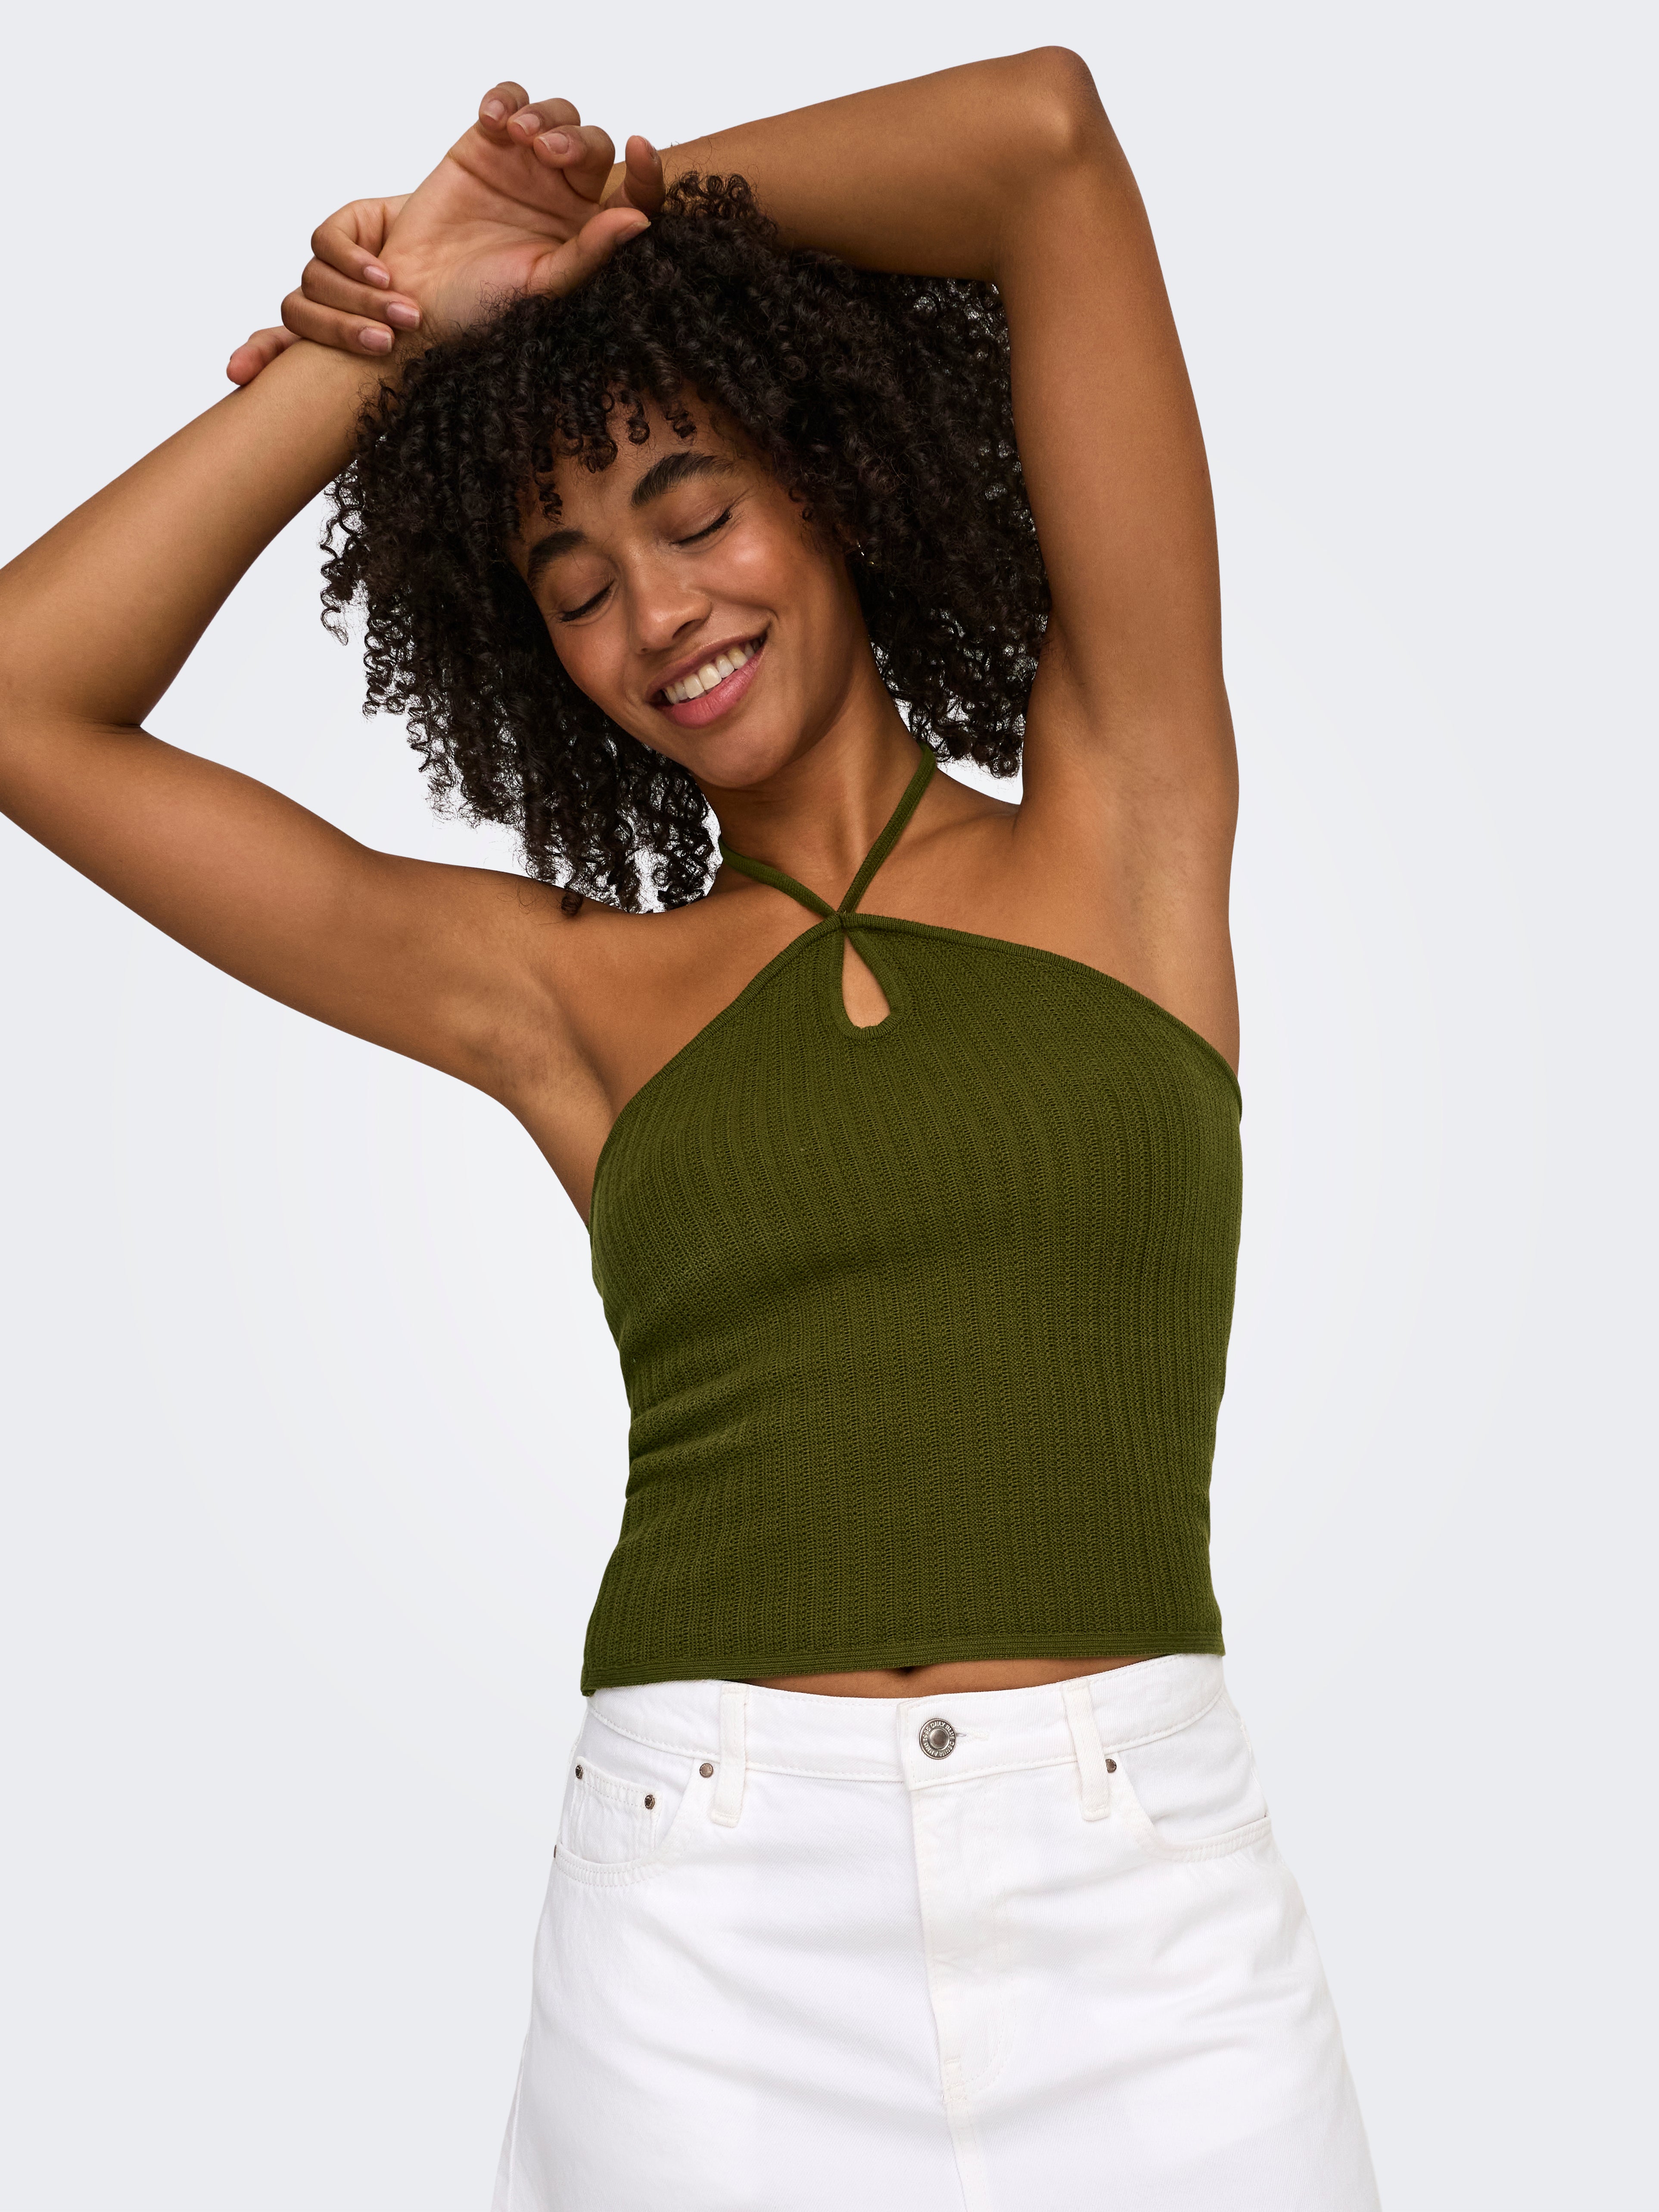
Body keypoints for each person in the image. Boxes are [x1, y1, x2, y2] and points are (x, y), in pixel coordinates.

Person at [0, 52, 1379, 2210]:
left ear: (825, 476)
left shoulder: (1127, 821)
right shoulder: (568, 999)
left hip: (1154, 1908)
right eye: (571, 584)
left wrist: (605, 234)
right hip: (711, 1921)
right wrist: (400, 333)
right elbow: (23, 701)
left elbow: (1043, 144)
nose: (657, 616)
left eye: (693, 505)